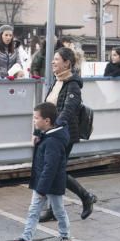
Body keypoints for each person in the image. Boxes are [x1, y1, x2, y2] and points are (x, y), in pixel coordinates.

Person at [39, 46, 98, 221]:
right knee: (54, 171)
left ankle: (85, 197)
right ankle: (58, 208)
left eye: (56, 59)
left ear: (67, 63)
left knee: (55, 170)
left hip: (63, 135)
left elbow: (68, 110)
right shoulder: (58, 81)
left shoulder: (73, 85)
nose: (52, 62)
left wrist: (56, 126)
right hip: (51, 134)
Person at [5, 101, 72, 241]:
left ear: (47, 120)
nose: (34, 120)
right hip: (44, 182)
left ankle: (65, 236)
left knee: (58, 210)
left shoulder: (53, 142)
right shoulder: (48, 135)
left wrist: (41, 188)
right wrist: (38, 135)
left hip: (50, 183)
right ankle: (26, 239)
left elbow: (50, 167)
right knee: (35, 210)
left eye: (36, 118)